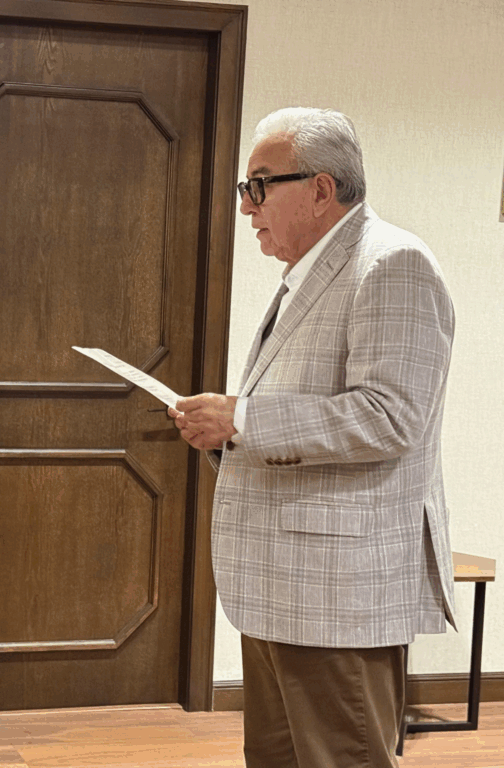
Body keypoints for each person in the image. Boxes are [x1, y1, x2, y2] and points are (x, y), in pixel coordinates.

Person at [169, 108, 454, 767]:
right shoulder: (308, 277)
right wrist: (227, 434)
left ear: (321, 189)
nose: (247, 207)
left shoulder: (393, 265)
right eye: (246, 189)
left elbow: (391, 416)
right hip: (282, 586)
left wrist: (243, 419)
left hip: (337, 593)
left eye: (259, 186)